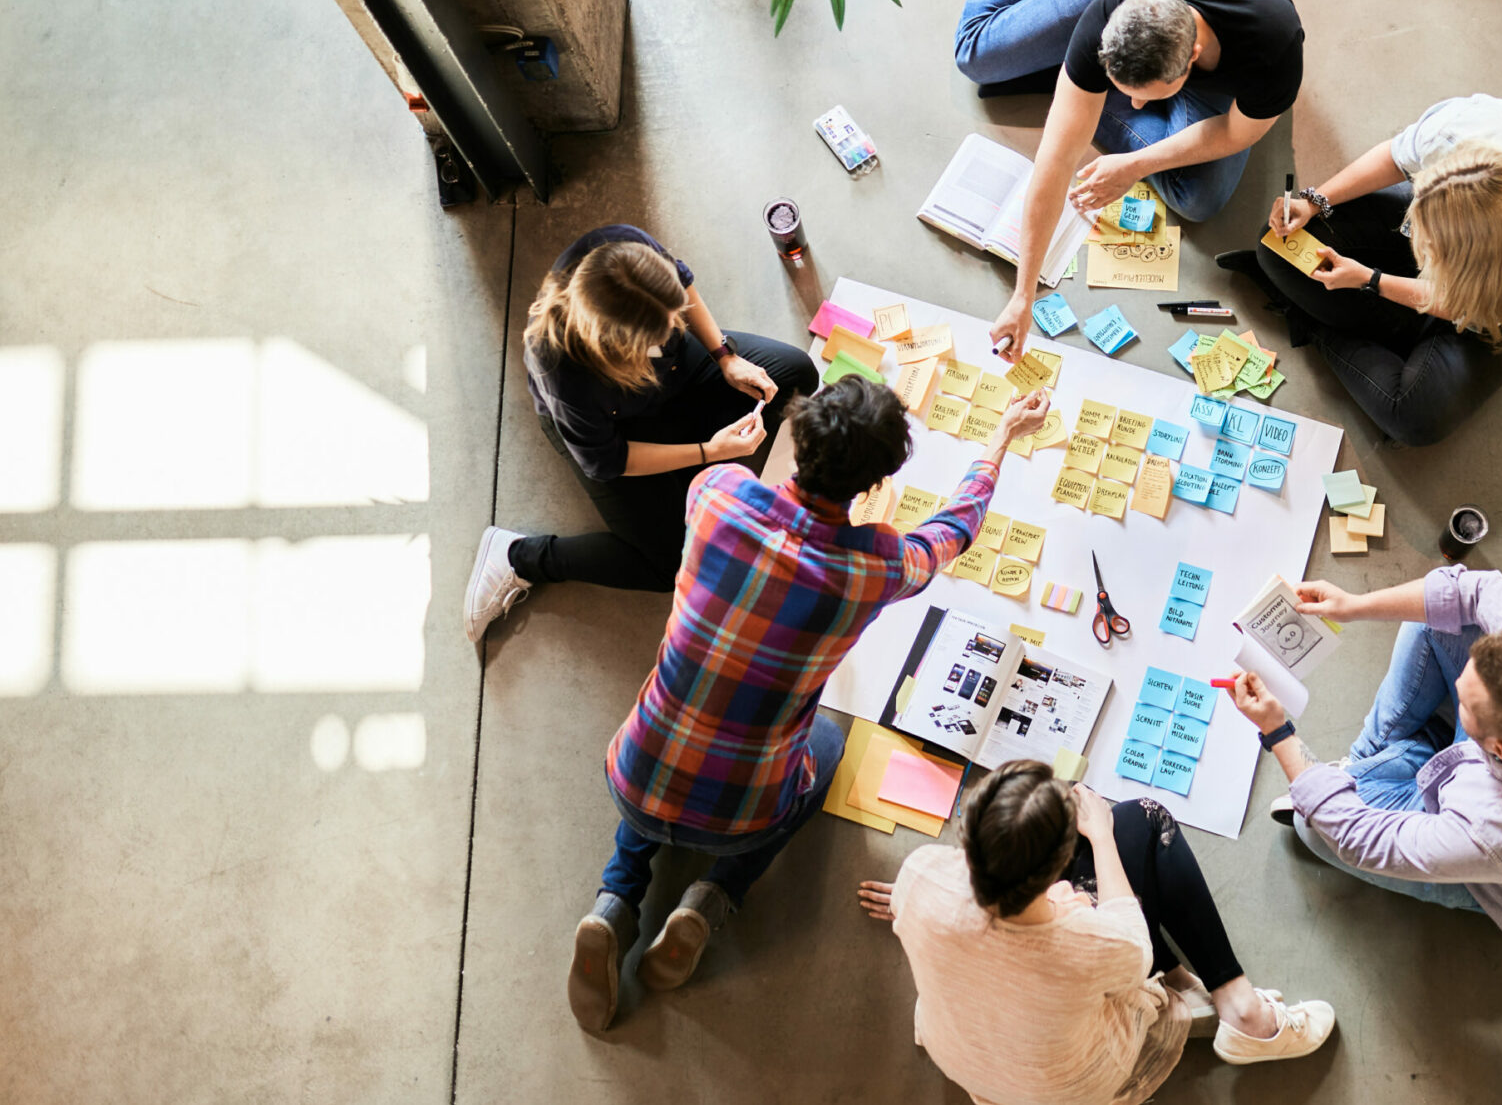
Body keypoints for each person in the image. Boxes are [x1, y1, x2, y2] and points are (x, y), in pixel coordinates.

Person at [566, 380, 1052, 1033]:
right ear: (876, 483)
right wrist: (998, 440)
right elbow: (951, 534)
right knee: (826, 743)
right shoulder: (870, 568)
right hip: (742, 812)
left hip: (633, 769)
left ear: (800, 437)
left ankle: (613, 901)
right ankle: (710, 899)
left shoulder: (717, 496)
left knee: (678, 744)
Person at [952, 0, 1305, 362]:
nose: (1134, 105)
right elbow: (1055, 161)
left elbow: (1235, 132)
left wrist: (1135, 164)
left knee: (1199, 198)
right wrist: (1023, 294)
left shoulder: (1273, 49)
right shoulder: (1110, 14)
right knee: (978, 55)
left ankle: (1063, 85)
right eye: (1122, 88)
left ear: (1192, 65)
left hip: (1240, 50)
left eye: (1145, 96)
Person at [858, 764, 1334, 1102]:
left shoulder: (920, 874)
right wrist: (1101, 834)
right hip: (1073, 1084)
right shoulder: (1096, 940)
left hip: (964, 1056)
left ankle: (1201, 991)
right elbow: (1128, 936)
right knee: (1144, 817)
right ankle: (1242, 1011)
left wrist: (914, 893)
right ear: (1054, 875)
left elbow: (946, 886)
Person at [1229, 563, 1502, 940]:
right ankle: (1379, 765)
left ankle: (1377, 765)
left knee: (1313, 826)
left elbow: (1358, 839)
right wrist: (1353, 605)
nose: (1460, 689)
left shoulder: (1500, 830)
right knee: (1434, 622)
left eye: (1464, 705)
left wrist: (1277, 730)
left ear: (1498, 748)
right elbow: (1472, 589)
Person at [462, 224, 819, 640]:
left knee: (796, 373)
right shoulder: (562, 370)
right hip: (617, 428)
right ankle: (519, 557)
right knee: (669, 563)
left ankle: (681, 473)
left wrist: (723, 355)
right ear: (623, 343)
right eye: (664, 325)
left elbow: (684, 293)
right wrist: (709, 451)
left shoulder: (622, 249)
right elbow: (610, 461)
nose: (675, 324)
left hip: (671, 373)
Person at [1218, 93, 1502, 446]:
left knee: (1413, 418)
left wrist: (1372, 280)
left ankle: (1310, 321)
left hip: (1490, 308)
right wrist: (1316, 201)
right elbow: (1395, 159)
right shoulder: (1457, 131)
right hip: (1456, 224)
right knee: (1275, 248)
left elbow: (1456, 304)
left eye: (1429, 248)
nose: (1419, 249)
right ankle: (1393, 335)